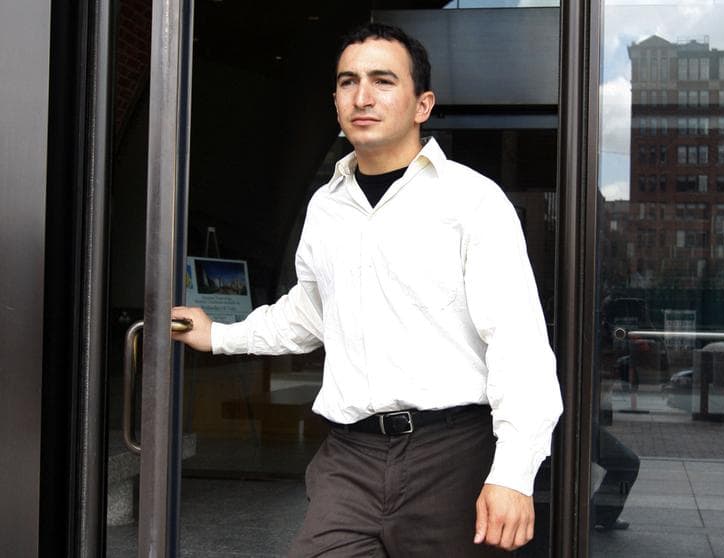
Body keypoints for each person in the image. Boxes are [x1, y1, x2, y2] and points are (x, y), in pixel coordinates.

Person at [173, 22, 562, 556]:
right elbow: (308, 312)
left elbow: (518, 346)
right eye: (348, 82)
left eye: (383, 80)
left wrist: (514, 473)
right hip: (349, 456)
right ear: (335, 101)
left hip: (451, 454)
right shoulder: (326, 205)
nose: (362, 97)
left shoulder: (473, 201)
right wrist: (217, 336)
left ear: (422, 104)